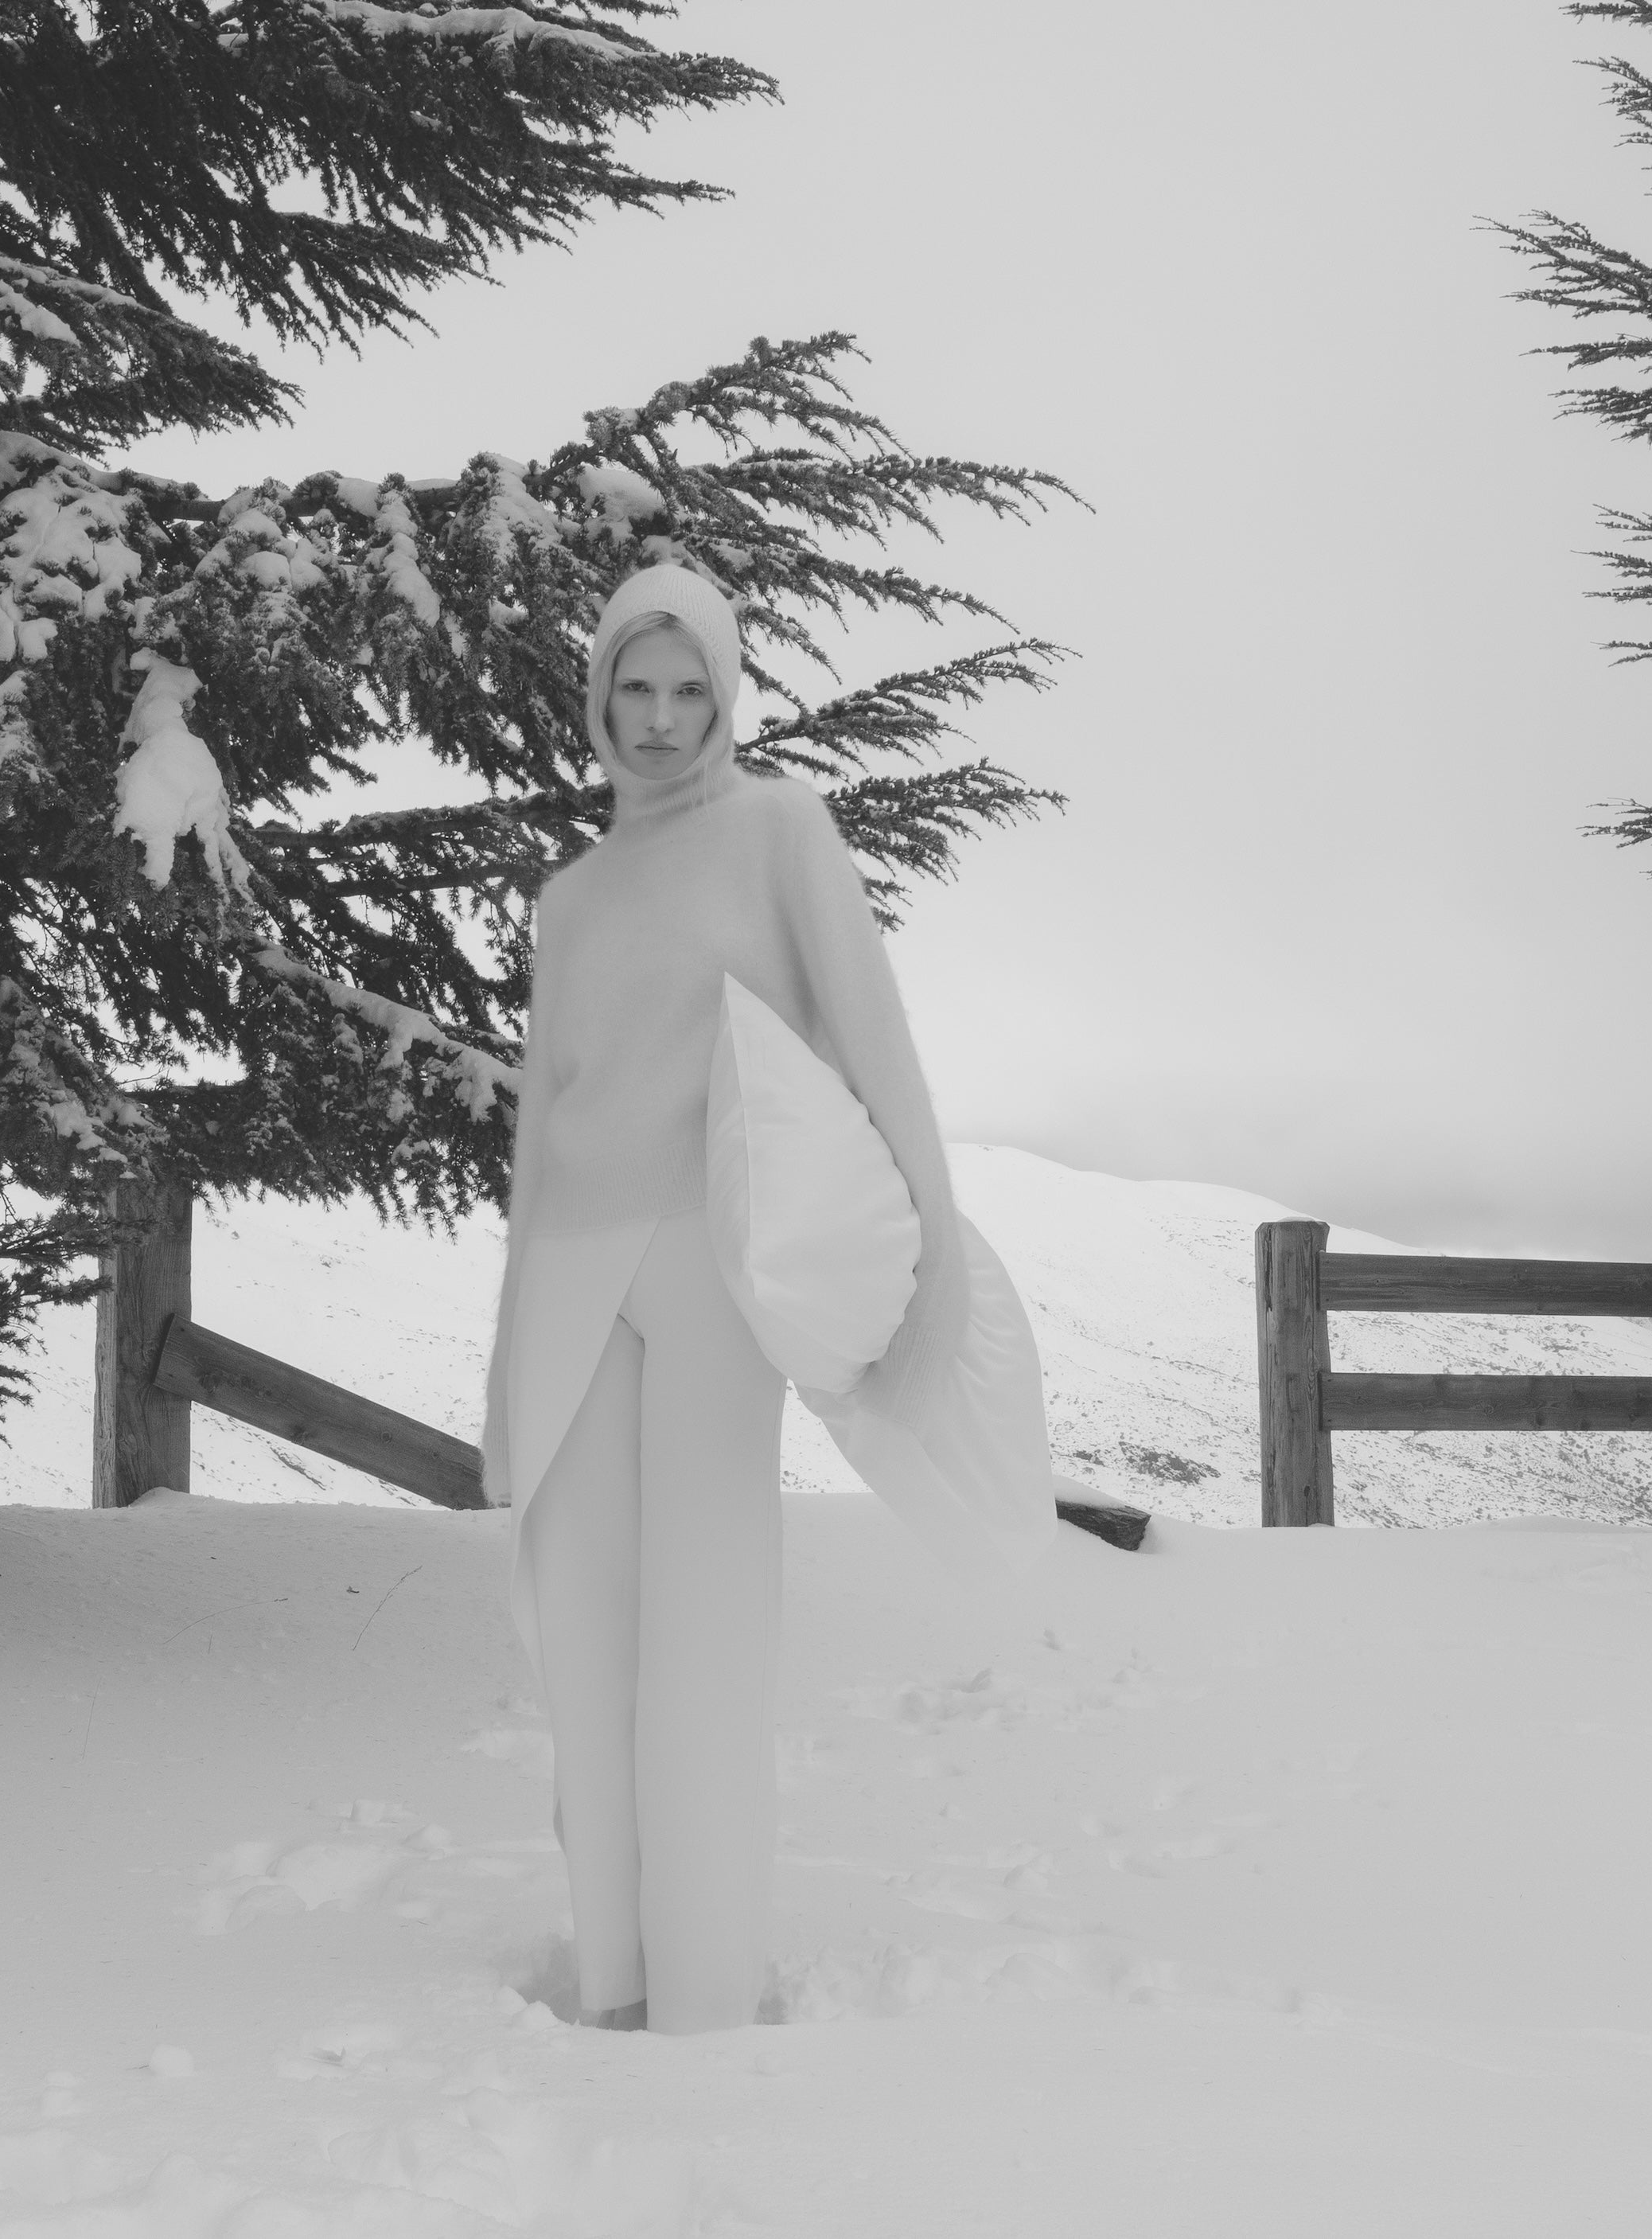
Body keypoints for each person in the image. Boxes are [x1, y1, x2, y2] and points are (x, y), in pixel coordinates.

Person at [478, 560, 1030, 2034]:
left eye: (689, 689)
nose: (659, 720)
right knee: (584, 1639)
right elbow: (542, 1130)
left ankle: (711, 1995)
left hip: (715, 1269)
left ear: (728, 695)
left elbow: (873, 1043)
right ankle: (615, 1981)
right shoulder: (568, 897)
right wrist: (498, 1373)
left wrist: (936, 1256)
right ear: (596, 697)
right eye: (632, 689)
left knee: (706, 1629)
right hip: (570, 1281)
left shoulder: (781, 829)